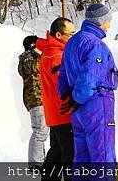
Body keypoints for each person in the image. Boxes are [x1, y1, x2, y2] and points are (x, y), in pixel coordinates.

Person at [58, 4, 118, 180]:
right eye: (109, 19)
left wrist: (67, 96)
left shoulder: (72, 41)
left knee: (82, 157)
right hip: (96, 104)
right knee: (102, 155)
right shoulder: (95, 44)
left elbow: (62, 73)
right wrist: (77, 98)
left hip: (78, 111)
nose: (110, 22)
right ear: (102, 21)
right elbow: (90, 76)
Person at [37, 17, 76, 181]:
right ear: (59, 35)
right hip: (63, 113)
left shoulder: (50, 51)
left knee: (56, 153)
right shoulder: (56, 55)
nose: (73, 37)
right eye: (71, 34)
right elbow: (64, 83)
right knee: (69, 157)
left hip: (55, 113)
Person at [18, 35, 48, 170]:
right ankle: (36, 163)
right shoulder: (29, 59)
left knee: (41, 131)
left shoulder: (28, 58)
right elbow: (37, 67)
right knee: (40, 131)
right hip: (36, 98)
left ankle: (40, 160)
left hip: (37, 99)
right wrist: (40, 53)